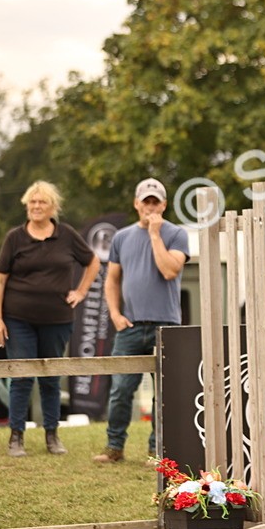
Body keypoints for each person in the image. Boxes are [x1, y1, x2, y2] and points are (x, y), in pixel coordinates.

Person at [0, 181, 101, 457]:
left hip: (58, 319)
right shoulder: (14, 238)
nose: (36, 207)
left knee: (51, 376)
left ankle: (52, 435)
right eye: (32, 202)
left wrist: (81, 291)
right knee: (22, 376)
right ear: (26, 206)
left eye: (42, 202)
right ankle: (16, 437)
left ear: (53, 207)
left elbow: (93, 262)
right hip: (18, 318)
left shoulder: (67, 235)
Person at [93, 178, 189, 463]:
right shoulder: (121, 238)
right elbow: (112, 280)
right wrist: (115, 315)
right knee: (121, 389)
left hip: (166, 326)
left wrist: (155, 235)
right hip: (130, 327)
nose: (150, 207)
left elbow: (169, 270)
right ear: (136, 204)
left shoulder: (176, 234)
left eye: (155, 202)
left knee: (163, 392)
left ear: (164, 205)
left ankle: (157, 451)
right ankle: (114, 448)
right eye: (145, 201)